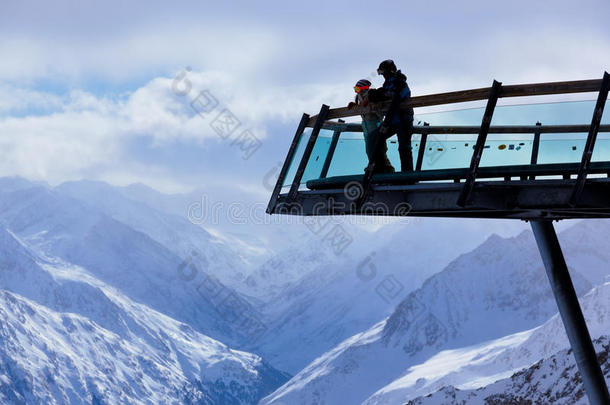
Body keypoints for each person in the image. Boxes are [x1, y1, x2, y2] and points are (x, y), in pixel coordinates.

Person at [367, 59, 414, 172]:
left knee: (404, 147)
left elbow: (399, 96)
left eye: (383, 73)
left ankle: (408, 177)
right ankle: (382, 169)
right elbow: (386, 94)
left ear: (390, 71)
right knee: (374, 138)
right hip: (392, 120)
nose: (383, 75)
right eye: (381, 73)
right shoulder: (388, 83)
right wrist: (376, 94)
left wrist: (384, 94)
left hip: (403, 120)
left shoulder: (400, 82)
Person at [347, 79, 395, 173]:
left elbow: (380, 110)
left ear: (363, 88)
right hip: (366, 126)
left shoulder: (372, 95)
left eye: (357, 88)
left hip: (374, 124)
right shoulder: (358, 97)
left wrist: (370, 104)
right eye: (355, 88)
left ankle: (386, 169)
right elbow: (362, 108)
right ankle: (375, 167)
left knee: (378, 149)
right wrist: (355, 105)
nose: (355, 91)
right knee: (369, 149)